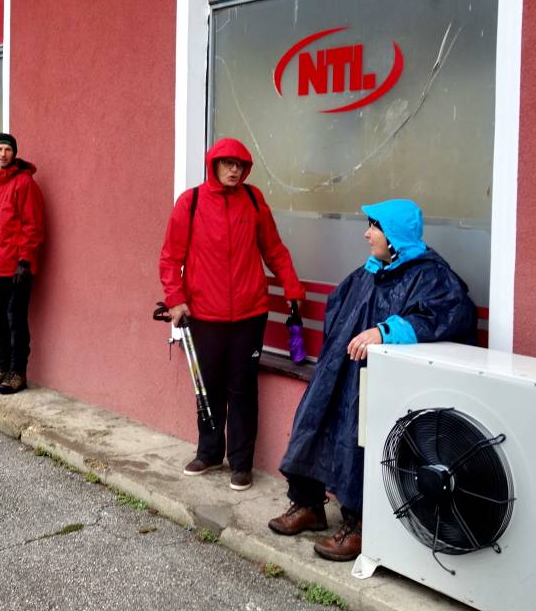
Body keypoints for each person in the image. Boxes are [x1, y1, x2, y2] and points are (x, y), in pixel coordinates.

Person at [269, 199, 477, 561]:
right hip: (340, 376)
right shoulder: (369, 273)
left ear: (394, 235)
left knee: (361, 444)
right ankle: (308, 505)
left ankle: (361, 525)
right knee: (312, 426)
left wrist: (387, 330)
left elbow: (448, 316)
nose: (367, 234)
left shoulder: (430, 277)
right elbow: (339, 308)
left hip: (380, 385)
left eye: (375, 227)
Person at [159, 138, 306, 492]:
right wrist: (175, 300)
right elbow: (170, 257)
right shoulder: (191, 202)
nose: (234, 170)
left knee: (242, 389)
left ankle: (241, 463)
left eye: (239, 165)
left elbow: (274, 249)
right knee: (208, 387)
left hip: (249, 313)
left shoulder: (253, 201)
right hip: (204, 314)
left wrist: (292, 288)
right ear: (214, 165)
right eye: (227, 163)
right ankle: (209, 453)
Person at [0, 133, 44, 395]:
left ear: (14, 153)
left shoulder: (24, 183)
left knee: (15, 320)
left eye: (8, 149)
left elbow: (32, 224)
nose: (3, 154)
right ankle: (2, 367)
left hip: (16, 268)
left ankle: (18, 372)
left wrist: (25, 259)